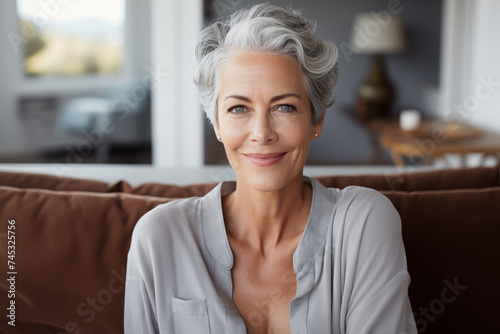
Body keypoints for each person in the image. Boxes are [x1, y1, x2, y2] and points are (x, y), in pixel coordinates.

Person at [124, 4, 417, 333]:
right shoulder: (159, 237)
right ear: (217, 122)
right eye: (238, 108)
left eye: (284, 106)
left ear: (316, 119)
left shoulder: (363, 224)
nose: (262, 133)